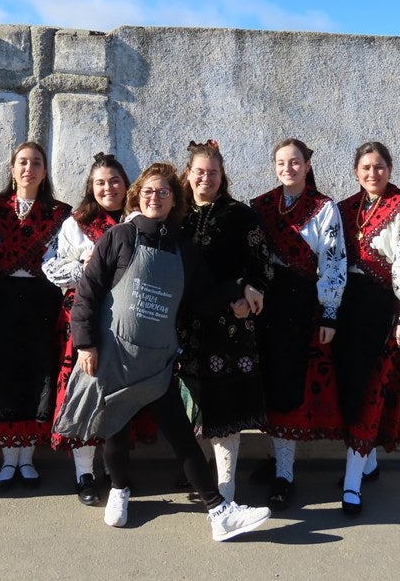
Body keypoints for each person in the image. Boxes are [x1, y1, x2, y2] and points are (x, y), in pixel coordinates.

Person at [54, 162, 272, 541]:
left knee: (182, 436)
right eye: (150, 191)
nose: (156, 197)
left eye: (164, 192)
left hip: (157, 361)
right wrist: (85, 343)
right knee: (116, 431)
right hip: (115, 356)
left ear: (175, 201)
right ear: (139, 195)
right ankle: (119, 492)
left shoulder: (183, 249)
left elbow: (204, 297)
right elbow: (88, 291)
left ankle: (219, 512)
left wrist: (241, 287)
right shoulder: (118, 237)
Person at [43, 152, 156, 506]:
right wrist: (86, 266)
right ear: (91, 188)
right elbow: (51, 267)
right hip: (86, 320)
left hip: (127, 323)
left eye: (115, 181)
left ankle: (114, 467)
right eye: (100, 183)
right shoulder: (75, 224)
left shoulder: (140, 221)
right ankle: (84, 473)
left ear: (127, 185)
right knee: (86, 392)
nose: (108, 187)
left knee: (118, 395)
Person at [249, 138, 347, 511]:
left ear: (307, 165)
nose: (287, 168)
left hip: (300, 308)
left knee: (290, 388)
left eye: (294, 162)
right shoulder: (260, 206)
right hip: (264, 306)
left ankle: (285, 475)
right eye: (281, 162)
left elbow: (334, 263)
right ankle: (277, 460)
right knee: (267, 384)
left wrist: (329, 312)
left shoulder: (324, 209)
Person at [333, 141, 400, 515]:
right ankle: (367, 464)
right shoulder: (346, 209)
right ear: (356, 171)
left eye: (379, 167)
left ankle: (352, 484)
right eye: (366, 167)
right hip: (346, 307)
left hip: (380, 309)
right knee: (349, 387)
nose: (373, 174)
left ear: (390, 169)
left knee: (369, 389)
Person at [176, 140, 273, 503]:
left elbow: (262, 264)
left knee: (225, 408)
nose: (206, 178)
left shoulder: (240, 215)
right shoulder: (176, 213)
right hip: (185, 325)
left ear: (222, 176)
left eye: (213, 172)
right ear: (188, 174)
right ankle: (200, 476)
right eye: (199, 172)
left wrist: (251, 292)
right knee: (193, 403)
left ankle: (226, 489)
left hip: (228, 324)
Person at [0, 141, 71, 490]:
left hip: (41, 299)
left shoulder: (60, 213)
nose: (28, 169)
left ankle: (28, 455)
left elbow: (61, 256)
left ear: (44, 171)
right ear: (12, 168)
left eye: (36, 162)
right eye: (22, 162)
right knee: (6, 371)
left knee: (39, 369)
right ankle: (8, 457)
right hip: (3, 298)